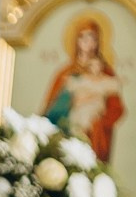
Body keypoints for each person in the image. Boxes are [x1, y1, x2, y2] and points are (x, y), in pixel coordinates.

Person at [42, 17, 124, 166]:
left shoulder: (107, 74)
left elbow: (117, 109)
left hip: (95, 138)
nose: (88, 43)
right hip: (67, 134)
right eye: (83, 37)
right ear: (76, 41)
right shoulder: (65, 73)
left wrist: (97, 122)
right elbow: (49, 111)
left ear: (98, 41)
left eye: (92, 38)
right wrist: (71, 102)